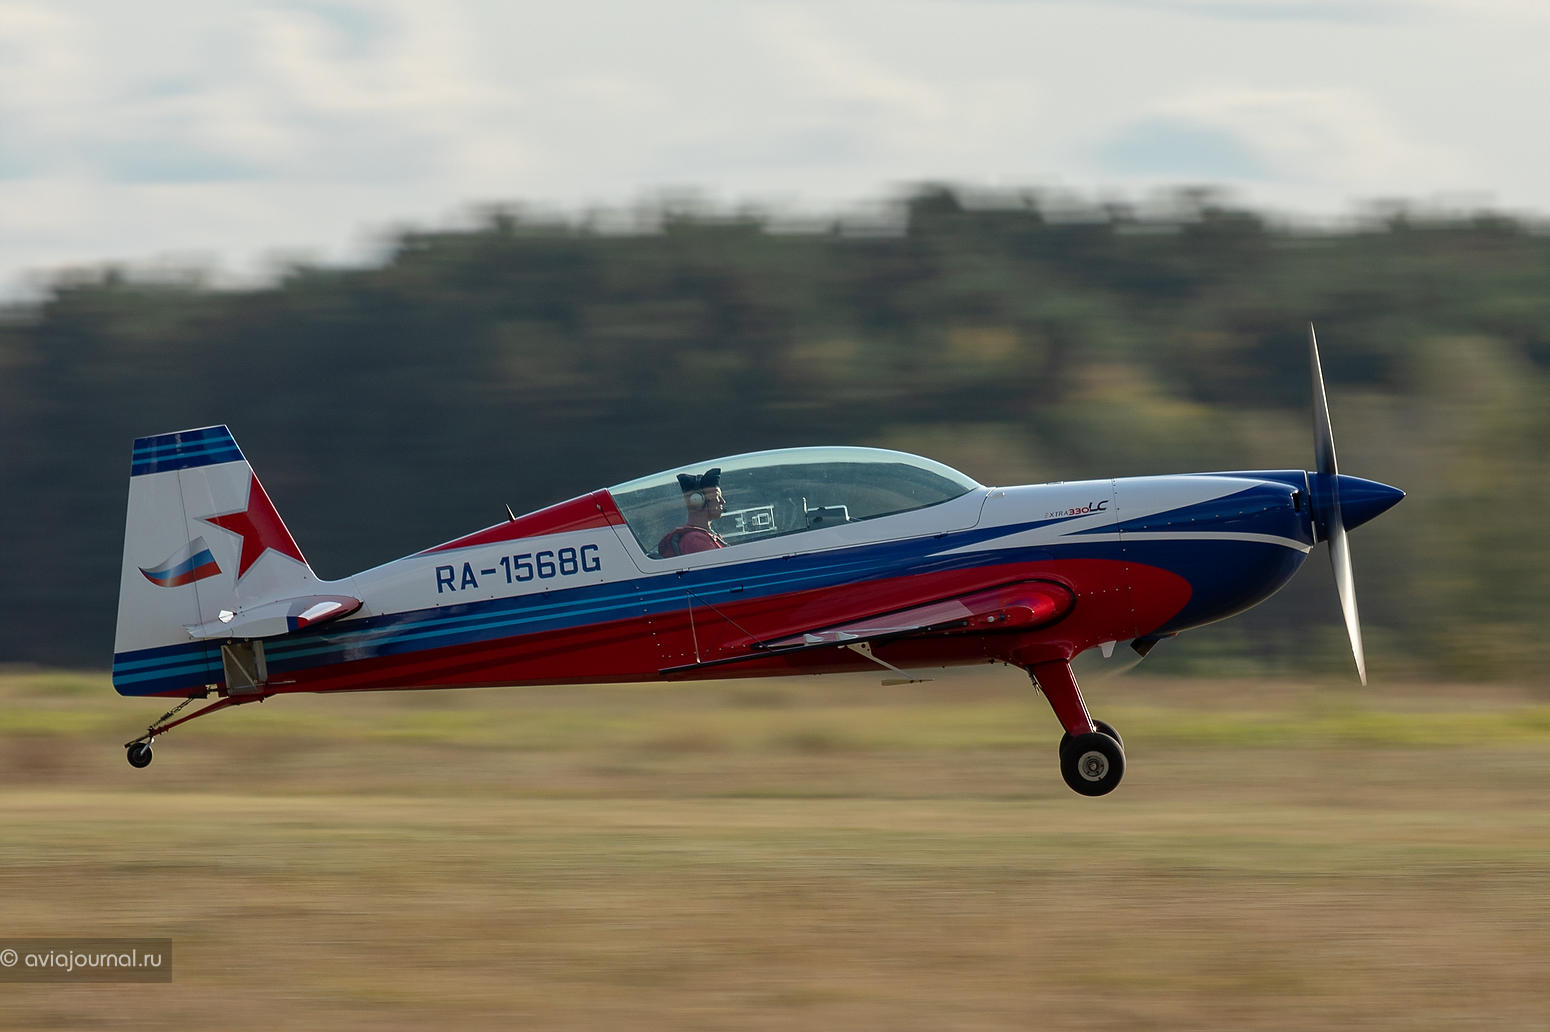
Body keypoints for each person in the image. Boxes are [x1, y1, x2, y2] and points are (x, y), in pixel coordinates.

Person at [657, 468, 727, 556]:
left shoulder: (707, 535)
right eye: (717, 497)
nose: (723, 501)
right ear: (697, 501)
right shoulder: (695, 540)